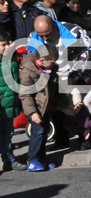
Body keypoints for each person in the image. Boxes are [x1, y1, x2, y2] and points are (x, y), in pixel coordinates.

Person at [28, 15, 91, 151]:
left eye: (47, 35)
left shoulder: (73, 32)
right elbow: (31, 58)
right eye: (41, 35)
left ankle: (84, 138)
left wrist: (73, 75)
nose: (45, 39)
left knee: (78, 109)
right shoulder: (33, 36)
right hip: (51, 77)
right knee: (56, 111)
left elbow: (88, 53)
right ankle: (61, 139)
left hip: (75, 74)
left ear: (54, 26)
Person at [18, 43, 60, 171]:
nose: (53, 65)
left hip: (46, 106)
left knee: (44, 131)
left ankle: (42, 159)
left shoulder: (47, 68)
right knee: (38, 132)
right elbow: (25, 95)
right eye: (51, 63)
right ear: (41, 60)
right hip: (35, 108)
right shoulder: (28, 72)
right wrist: (32, 112)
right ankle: (33, 159)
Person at [0, 30, 27, 171]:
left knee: (7, 134)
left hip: (9, 103)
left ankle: (8, 159)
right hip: (2, 103)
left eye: (8, 44)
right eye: (3, 45)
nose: (7, 47)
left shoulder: (11, 58)